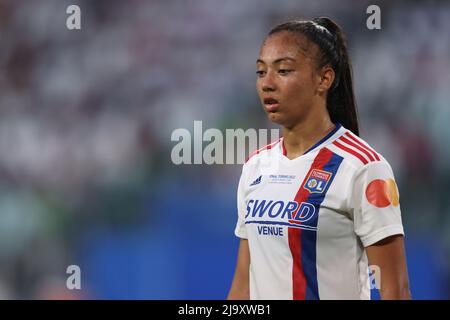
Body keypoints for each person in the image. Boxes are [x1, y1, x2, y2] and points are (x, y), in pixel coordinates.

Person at [227, 17, 411, 300]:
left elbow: (394, 290)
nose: (267, 83)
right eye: (261, 72)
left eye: (284, 70)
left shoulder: (364, 168)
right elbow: (242, 287)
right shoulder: (255, 166)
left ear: (324, 78)